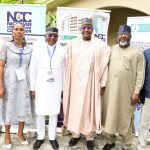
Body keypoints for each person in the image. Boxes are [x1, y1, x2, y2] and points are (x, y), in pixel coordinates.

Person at [63, 18, 110, 150]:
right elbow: (64, 61)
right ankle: (75, 134)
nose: (86, 30)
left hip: (91, 84)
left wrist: (103, 84)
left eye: (89, 27)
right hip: (75, 84)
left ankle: (89, 137)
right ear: (81, 29)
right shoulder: (72, 44)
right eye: (84, 28)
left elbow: (105, 65)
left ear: (92, 29)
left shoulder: (100, 45)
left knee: (89, 110)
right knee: (75, 109)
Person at [102, 24, 145, 150]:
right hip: (111, 91)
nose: (123, 36)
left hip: (127, 91)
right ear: (117, 36)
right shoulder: (112, 49)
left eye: (125, 34)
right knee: (110, 115)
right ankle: (110, 140)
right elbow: (104, 68)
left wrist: (136, 92)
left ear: (130, 36)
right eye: (121, 34)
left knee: (125, 117)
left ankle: (127, 144)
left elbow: (140, 74)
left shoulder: (137, 52)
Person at [30, 27, 65, 150]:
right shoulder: (38, 49)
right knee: (39, 112)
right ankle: (40, 137)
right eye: (49, 35)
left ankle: (52, 138)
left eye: (54, 35)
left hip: (56, 86)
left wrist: (63, 88)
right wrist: (32, 88)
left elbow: (64, 71)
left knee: (54, 113)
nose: (52, 38)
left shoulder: (62, 50)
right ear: (45, 36)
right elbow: (32, 70)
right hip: (40, 86)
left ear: (57, 37)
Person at [0, 23, 33, 149]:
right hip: (10, 82)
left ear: (25, 32)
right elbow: (1, 66)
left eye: (21, 30)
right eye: (16, 29)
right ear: (12, 32)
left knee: (23, 106)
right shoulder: (6, 45)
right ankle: (7, 134)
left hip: (24, 82)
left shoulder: (29, 49)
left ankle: (20, 132)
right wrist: (1, 86)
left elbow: (30, 67)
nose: (19, 31)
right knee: (9, 106)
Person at [137, 48, 150, 150]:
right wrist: (140, 92)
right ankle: (142, 146)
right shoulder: (146, 53)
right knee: (144, 123)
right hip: (148, 94)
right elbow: (142, 74)